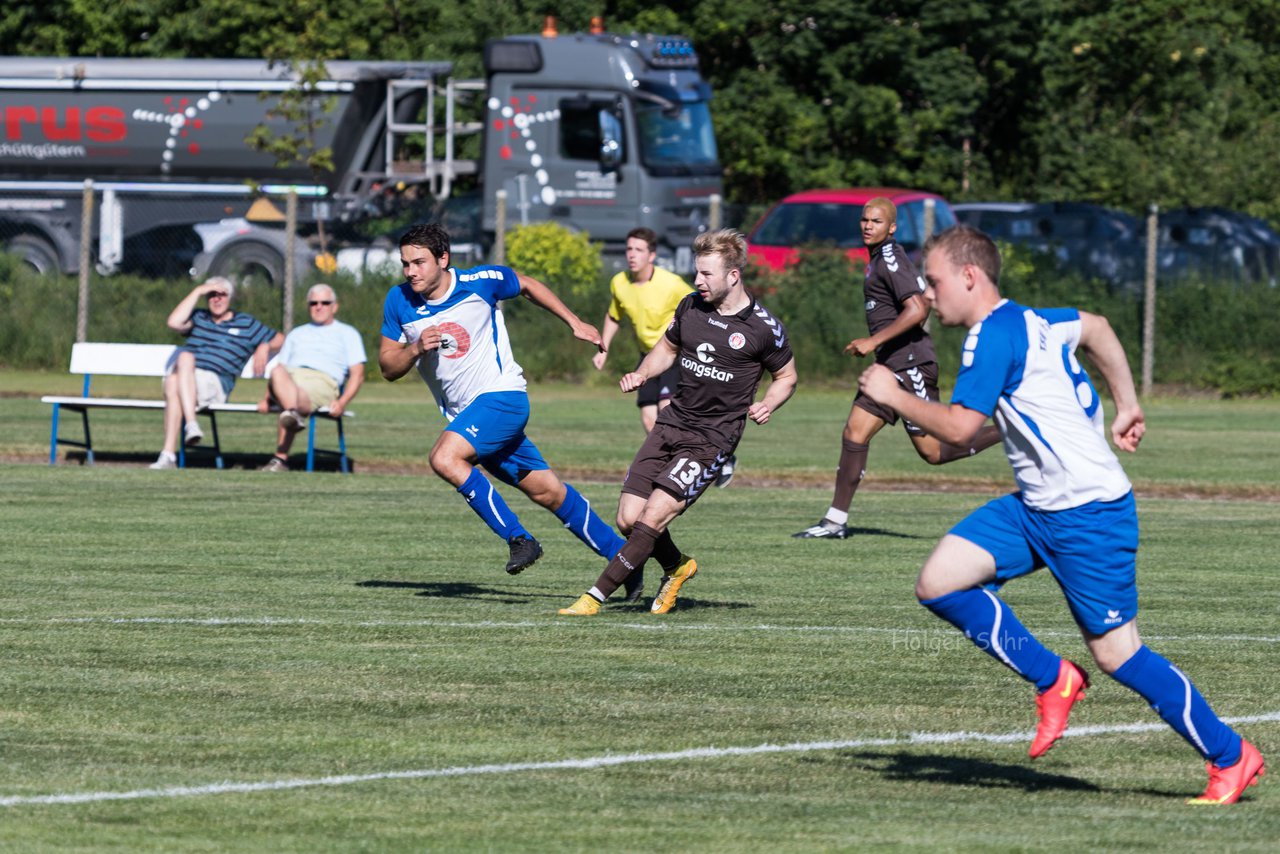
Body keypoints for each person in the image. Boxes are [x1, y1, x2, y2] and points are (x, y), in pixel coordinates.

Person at [857, 225, 1265, 805]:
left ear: (970, 276)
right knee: (939, 583)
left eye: (937, 279)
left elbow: (961, 427)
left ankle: (1232, 756)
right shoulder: (1036, 320)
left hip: (1089, 514)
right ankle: (1054, 678)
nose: (929, 289)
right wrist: (1126, 401)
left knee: (1120, 654)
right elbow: (1096, 325)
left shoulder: (988, 339)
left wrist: (893, 394)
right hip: (1037, 506)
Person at [559, 229, 797, 616]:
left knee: (653, 516)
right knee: (629, 519)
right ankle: (677, 566)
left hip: (711, 439)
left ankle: (593, 598)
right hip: (671, 424)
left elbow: (787, 376)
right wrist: (642, 373)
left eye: (706, 274)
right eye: (696, 273)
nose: (698, 282)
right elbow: (667, 348)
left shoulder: (763, 328)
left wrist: (769, 401)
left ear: (733, 276)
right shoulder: (690, 307)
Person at [379, 223, 626, 575]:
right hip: (469, 416)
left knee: (445, 458)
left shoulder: (481, 281)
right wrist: (415, 348)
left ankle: (519, 538)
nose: (410, 271)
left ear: (443, 259)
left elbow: (527, 284)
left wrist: (574, 322)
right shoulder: (398, 300)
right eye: (405, 263)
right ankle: (624, 560)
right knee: (548, 492)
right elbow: (388, 366)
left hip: (503, 397)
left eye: (419, 262)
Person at [793, 197, 1001, 539]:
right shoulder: (877, 258)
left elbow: (919, 308)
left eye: (876, 221)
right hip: (889, 365)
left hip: (910, 364)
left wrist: (873, 342)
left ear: (891, 227)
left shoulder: (890, 258)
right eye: (864, 220)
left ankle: (1007, 430)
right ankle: (834, 522)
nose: (867, 226)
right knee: (854, 434)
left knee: (934, 452)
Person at [149, 277, 282, 470]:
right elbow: (174, 322)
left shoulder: (246, 323)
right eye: (212, 295)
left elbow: (281, 339)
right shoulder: (198, 318)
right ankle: (171, 451)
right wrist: (197, 291)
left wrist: (265, 345)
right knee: (174, 378)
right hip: (188, 381)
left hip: (216, 384)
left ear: (230, 298)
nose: (217, 299)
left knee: (181, 364)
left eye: (222, 295)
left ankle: (178, 441)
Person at [257, 283, 367, 472]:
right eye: (313, 303)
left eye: (325, 302)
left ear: (335, 306)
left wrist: (342, 402)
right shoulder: (296, 333)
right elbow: (281, 368)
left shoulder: (348, 333)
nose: (318, 306)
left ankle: (280, 457)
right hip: (289, 380)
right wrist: (266, 398)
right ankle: (293, 415)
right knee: (277, 371)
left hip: (322, 382)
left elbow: (358, 374)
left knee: (289, 389)